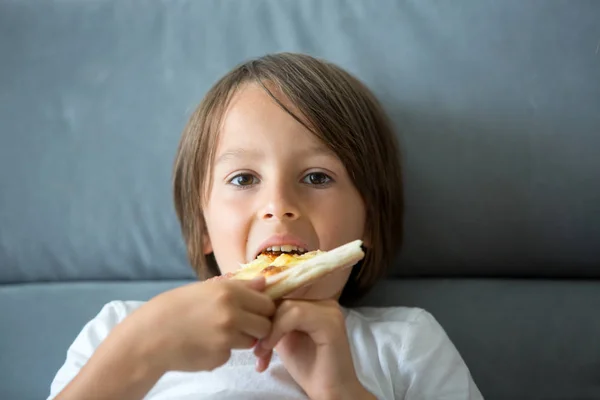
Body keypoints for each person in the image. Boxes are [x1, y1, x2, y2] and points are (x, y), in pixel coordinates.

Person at [48, 53, 483, 400]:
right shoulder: (120, 328)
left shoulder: (405, 342)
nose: (279, 206)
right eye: (243, 179)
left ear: (368, 224)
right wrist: (142, 349)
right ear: (202, 229)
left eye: (317, 177)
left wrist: (340, 392)